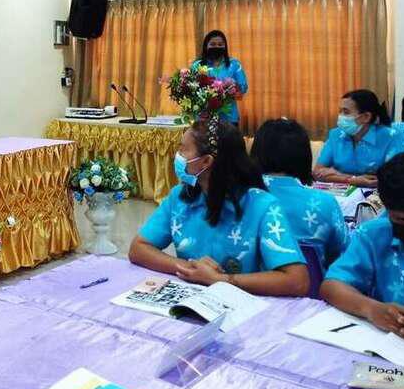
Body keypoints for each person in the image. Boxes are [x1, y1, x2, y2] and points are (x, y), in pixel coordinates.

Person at [128, 118, 309, 297]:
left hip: (245, 304)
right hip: (192, 300)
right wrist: (189, 268)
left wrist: (220, 280)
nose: (178, 156)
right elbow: (138, 248)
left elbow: (297, 281)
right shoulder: (180, 197)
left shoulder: (262, 206)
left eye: (183, 150)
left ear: (206, 161)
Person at [320, 152, 404, 339]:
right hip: (390, 345)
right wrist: (371, 309)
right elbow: (331, 286)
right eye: (402, 220)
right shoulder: (375, 235)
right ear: (388, 209)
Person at [250, 119, 348, 268]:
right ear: (304, 156)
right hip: (312, 282)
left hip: (245, 282)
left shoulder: (239, 198)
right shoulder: (325, 203)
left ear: (256, 153)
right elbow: (344, 256)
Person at [314, 89, 398, 187]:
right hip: (342, 191)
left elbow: (394, 178)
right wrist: (351, 179)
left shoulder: (389, 137)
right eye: (340, 111)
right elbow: (317, 172)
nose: (340, 116)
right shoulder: (336, 135)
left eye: (346, 112)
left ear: (366, 117)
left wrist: (337, 174)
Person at [192, 30, 248, 125]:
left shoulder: (234, 64)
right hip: (203, 118)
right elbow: (191, 88)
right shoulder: (197, 65)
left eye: (220, 44)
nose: (216, 47)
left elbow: (243, 87)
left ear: (225, 46)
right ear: (206, 46)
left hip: (229, 117)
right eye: (212, 44)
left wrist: (233, 88)